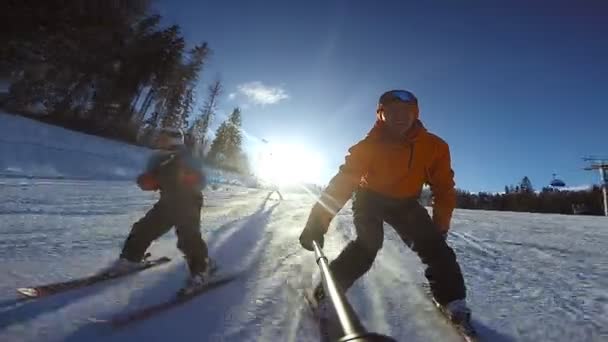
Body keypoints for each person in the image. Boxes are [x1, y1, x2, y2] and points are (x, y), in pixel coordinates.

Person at [299, 90, 472, 327]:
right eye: (391, 112)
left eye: (406, 112)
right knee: (368, 243)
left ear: (415, 115)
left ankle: (453, 301)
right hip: (370, 198)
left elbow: (443, 188)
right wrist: (317, 223)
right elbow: (342, 183)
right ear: (381, 115)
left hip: (405, 203)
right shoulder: (368, 147)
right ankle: (325, 294)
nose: (399, 117)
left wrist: (440, 226)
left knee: (435, 247)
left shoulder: (434, 147)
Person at [107, 127, 210, 292]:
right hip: (167, 201)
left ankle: (200, 270)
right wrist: (146, 181)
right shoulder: (156, 159)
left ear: (174, 139)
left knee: (188, 235)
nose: (159, 141)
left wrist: (192, 177)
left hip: (189, 200)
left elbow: (202, 180)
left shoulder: (187, 156)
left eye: (163, 138)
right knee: (144, 228)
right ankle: (130, 259)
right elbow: (152, 183)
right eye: (159, 138)